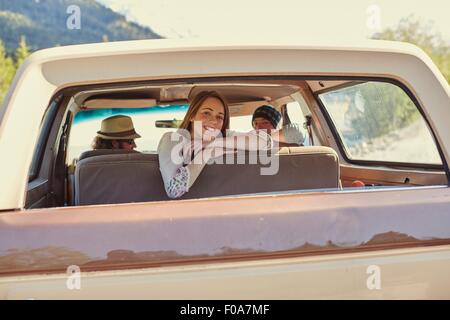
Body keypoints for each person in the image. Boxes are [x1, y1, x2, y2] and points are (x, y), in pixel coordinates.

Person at [158, 91, 274, 199]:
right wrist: (207, 152)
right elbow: (174, 189)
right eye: (207, 113)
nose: (214, 121)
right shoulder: (172, 140)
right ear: (192, 116)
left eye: (219, 117)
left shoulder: (225, 137)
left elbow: (265, 141)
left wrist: (215, 143)